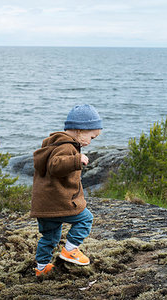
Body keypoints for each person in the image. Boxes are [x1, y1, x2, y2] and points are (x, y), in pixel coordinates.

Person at [31, 104, 102, 277]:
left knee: (49, 237)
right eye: (91, 137)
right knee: (86, 218)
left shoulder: (53, 143)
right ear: (79, 131)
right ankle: (70, 249)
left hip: (44, 205)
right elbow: (55, 166)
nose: (90, 142)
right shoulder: (66, 147)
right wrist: (76, 160)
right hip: (59, 202)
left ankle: (41, 268)